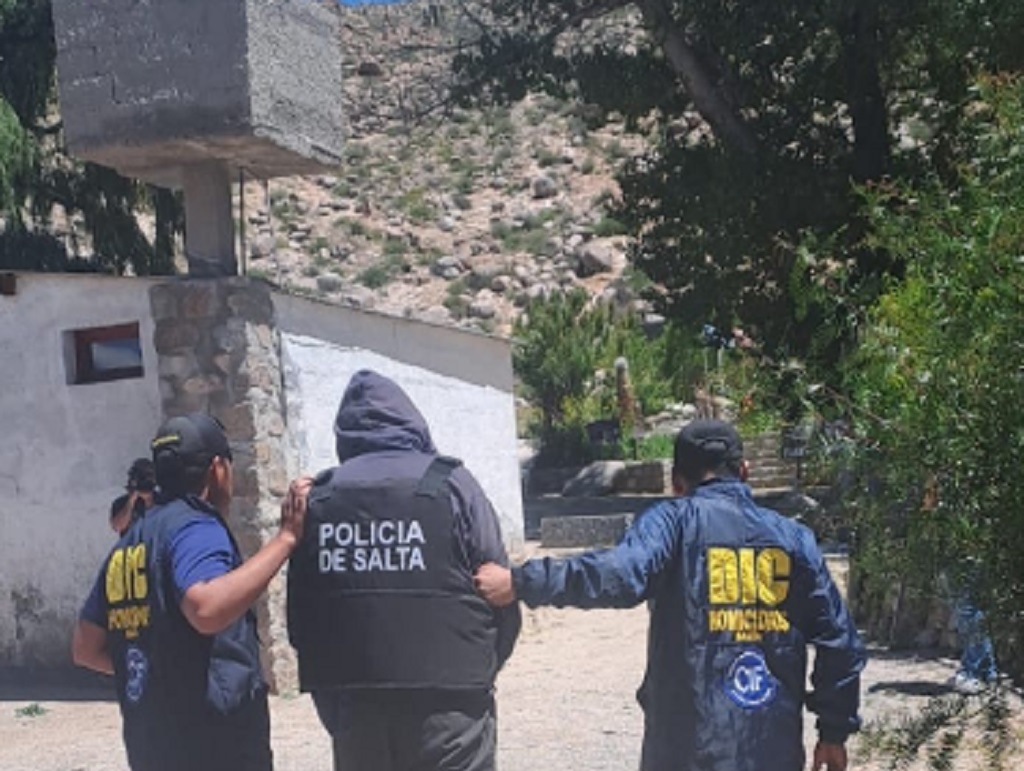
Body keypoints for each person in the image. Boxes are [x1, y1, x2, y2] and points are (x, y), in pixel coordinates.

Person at [475, 419, 866, 771]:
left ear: (677, 482)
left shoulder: (671, 522)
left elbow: (620, 573)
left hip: (686, 749)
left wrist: (522, 581)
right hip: (771, 749)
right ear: (745, 471)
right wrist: (833, 732)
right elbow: (840, 641)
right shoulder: (794, 539)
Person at [287, 369, 521, 771]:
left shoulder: (318, 498)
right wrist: (476, 676)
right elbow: (501, 595)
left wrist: (338, 708)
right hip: (450, 710)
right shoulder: (452, 483)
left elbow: (302, 619)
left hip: (357, 714)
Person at [72, 413, 311, 771]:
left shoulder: (128, 544)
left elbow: (86, 649)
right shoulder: (196, 526)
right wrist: (286, 539)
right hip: (212, 743)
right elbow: (205, 609)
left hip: (151, 744)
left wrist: (156, 671)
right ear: (218, 470)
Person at [109, 458, 158, 536]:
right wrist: (132, 500)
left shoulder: (162, 500)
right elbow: (118, 526)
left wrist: (148, 499)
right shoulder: (120, 503)